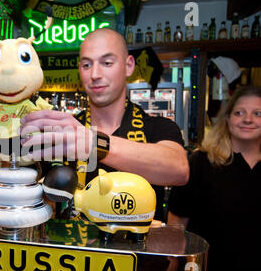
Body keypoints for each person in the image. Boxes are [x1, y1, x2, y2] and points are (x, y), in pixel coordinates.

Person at [12, 28, 189, 222]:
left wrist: (93, 143)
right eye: (86, 65)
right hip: (74, 250)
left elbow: (179, 170)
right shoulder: (65, 132)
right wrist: (1, 154)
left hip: (137, 249)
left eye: (107, 63)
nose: (95, 74)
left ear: (129, 66)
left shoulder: (157, 127)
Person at [167, 85, 261, 271]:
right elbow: (177, 221)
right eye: (239, 112)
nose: (248, 119)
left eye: (257, 113)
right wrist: (172, 266)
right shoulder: (202, 162)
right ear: (227, 119)